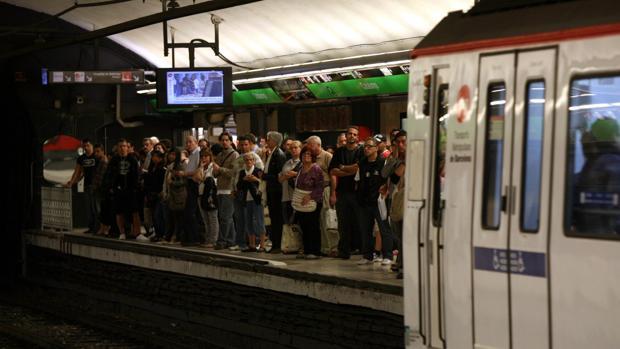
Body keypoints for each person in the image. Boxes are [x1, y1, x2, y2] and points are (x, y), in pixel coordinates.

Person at [355, 137, 393, 266]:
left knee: (384, 229)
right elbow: (358, 181)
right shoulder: (362, 163)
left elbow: (389, 179)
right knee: (365, 229)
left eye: (369, 146)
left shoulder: (383, 162)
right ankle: (367, 255)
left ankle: (387, 255)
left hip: (378, 201)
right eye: (365, 146)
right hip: (364, 201)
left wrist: (385, 191)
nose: (366, 149)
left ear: (376, 148)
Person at [329, 126, 364, 259]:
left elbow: (358, 168)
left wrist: (343, 168)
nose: (352, 136)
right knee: (343, 223)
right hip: (342, 192)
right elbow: (332, 171)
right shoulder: (339, 152)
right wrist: (349, 171)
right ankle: (344, 251)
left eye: (354, 134)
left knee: (359, 223)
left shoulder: (361, 151)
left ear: (357, 137)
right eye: (349, 134)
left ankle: (361, 249)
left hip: (357, 193)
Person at [105, 139, 147, 241]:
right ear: (117, 148)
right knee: (119, 212)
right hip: (118, 190)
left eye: (124, 146)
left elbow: (137, 174)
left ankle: (137, 233)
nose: (123, 148)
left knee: (135, 211)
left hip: (131, 190)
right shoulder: (114, 160)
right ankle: (122, 232)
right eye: (120, 146)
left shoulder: (132, 159)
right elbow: (109, 174)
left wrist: (135, 187)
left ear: (127, 148)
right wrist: (112, 187)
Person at [293, 146, 325, 259]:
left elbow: (321, 186)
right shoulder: (300, 169)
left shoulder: (316, 169)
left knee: (313, 226)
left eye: (309, 154)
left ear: (313, 157)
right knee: (304, 226)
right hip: (301, 201)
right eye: (304, 154)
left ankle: (315, 251)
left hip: (313, 200)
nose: (306, 156)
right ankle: (307, 250)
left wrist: (310, 196)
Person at [65, 138, 99, 234]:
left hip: (96, 186)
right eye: (84, 146)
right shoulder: (81, 158)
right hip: (87, 185)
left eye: (88, 145)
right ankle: (91, 227)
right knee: (88, 208)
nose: (86, 148)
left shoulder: (96, 156)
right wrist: (71, 182)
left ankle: (99, 227)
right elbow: (77, 172)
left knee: (96, 207)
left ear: (92, 145)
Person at [212, 132, 239, 250]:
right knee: (227, 218)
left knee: (225, 217)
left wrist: (220, 169)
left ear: (230, 141)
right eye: (222, 140)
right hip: (220, 189)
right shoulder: (219, 155)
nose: (224, 142)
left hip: (229, 190)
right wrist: (216, 171)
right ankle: (231, 241)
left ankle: (222, 241)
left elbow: (233, 173)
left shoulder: (235, 155)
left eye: (226, 140)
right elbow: (214, 173)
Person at [262, 131, 287, 252]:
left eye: (269, 139)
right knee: (273, 218)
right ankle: (275, 243)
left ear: (275, 141)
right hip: (271, 190)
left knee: (277, 218)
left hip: (276, 191)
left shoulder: (279, 154)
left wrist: (264, 176)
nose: (267, 142)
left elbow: (279, 175)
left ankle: (277, 244)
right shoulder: (271, 153)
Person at [235, 153, 263, 252]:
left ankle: (262, 245)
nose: (249, 162)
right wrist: (244, 180)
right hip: (246, 200)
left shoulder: (258, 171)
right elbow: (238, 186)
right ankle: (252, 245)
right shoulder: (242, 172)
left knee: (259, 221)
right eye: (246, 160)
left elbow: (263, 183)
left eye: (250, 160)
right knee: (249, 222)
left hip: (256, 199)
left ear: (254, 161)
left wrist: (255, 179)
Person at [195, 149, 219, 247]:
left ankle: (213, 240)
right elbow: (196, 177)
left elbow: (207, 179)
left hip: (210, 195)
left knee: (212, 218)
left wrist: (202, 178)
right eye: (202, 157)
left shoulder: (213, 167)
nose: (204, 158)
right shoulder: (201, 168)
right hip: (201, 194)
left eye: (206, 156)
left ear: (210, 157)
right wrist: (200, 167)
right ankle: (208, 239)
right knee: (205, 219)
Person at [278, 140, 301, 225]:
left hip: (297, 197)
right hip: (285, 197)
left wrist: (295, 174)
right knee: (287, 224)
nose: (293, 149)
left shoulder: (303, 163)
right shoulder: (287, 163)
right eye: (291, 148)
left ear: (301, 149)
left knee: (297, 224)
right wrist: (285, 176)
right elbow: (280, 179)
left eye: (296, 147)